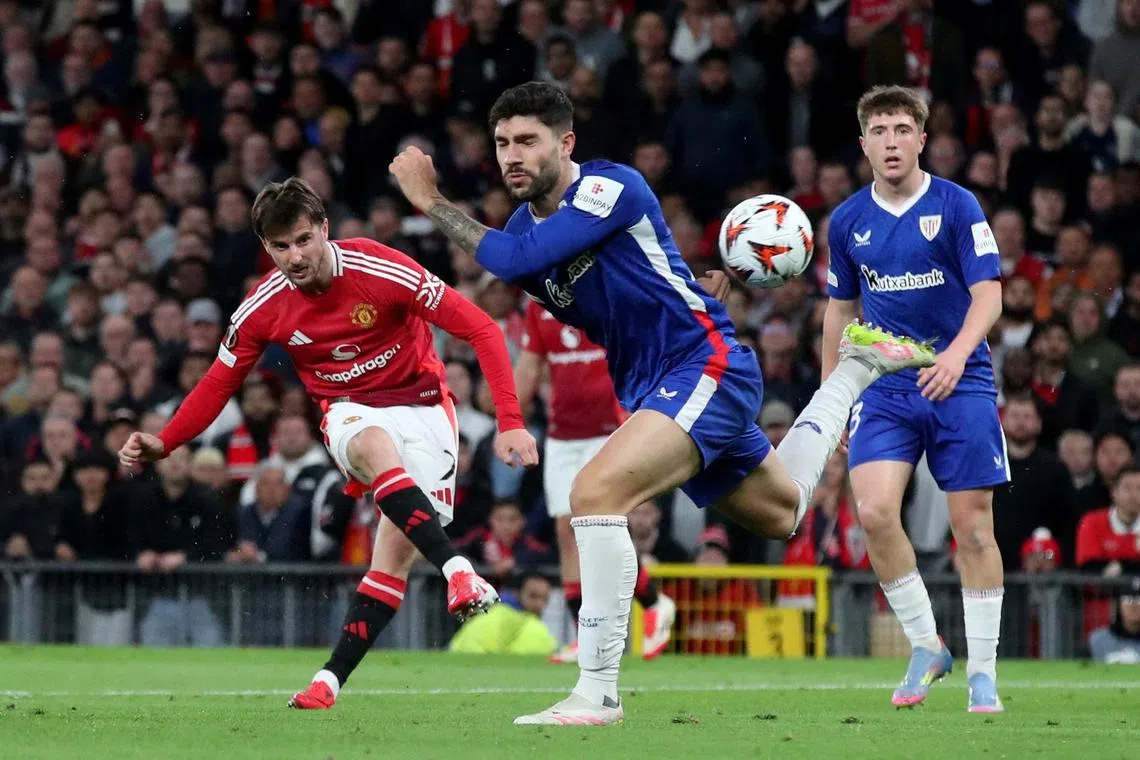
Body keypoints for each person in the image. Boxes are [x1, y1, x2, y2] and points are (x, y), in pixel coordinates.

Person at [389, 81, 935, 726]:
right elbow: (536, 264)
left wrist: (429, 200)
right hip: (656, 383)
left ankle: (597, 691)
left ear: (565, 144)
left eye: (528, 141)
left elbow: (519, 259)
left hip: (703, 365)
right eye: (503, 142)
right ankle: (854, 370)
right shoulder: (520, 227)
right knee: (781, 510)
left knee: (593, 496)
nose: (512, 155)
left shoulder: (607, 188)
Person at [117, 178, 538, 710]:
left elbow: (482, 329)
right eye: (280, 247)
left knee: (393, 558)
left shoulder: (380, 268)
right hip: (349, 411)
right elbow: (219, 382)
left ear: (323, 230)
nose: (294, 257)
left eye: (302, 240)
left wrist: (511, 420)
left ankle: (329, 681)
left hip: (426, 409)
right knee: (371, 444)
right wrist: (167, 440)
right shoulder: (263, 306)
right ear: (266, 248)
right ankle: (459, 571)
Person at [824, 86, 1008, 713]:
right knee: (874, 511)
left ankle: (983, 671)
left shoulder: (956, 206)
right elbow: (840, 310)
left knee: (972, 526)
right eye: (880, 131)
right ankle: (927, 645)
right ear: (864, 144)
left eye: (904, 129)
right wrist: (832, 398)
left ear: (922, 139)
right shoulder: (848, 220)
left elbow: (990, 294)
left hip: (961, 379)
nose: (892, 141)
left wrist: (956, 356)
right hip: (887, 384)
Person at [515, 300, 675, 663]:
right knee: (566, 533)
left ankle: (654, 602)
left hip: (609, 431)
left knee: (602, 527)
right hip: (561, 436)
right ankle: (588, 637)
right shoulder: (538, 305)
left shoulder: (601, 295)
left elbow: (638, 350)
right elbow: (528, 367)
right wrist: (508, 418)